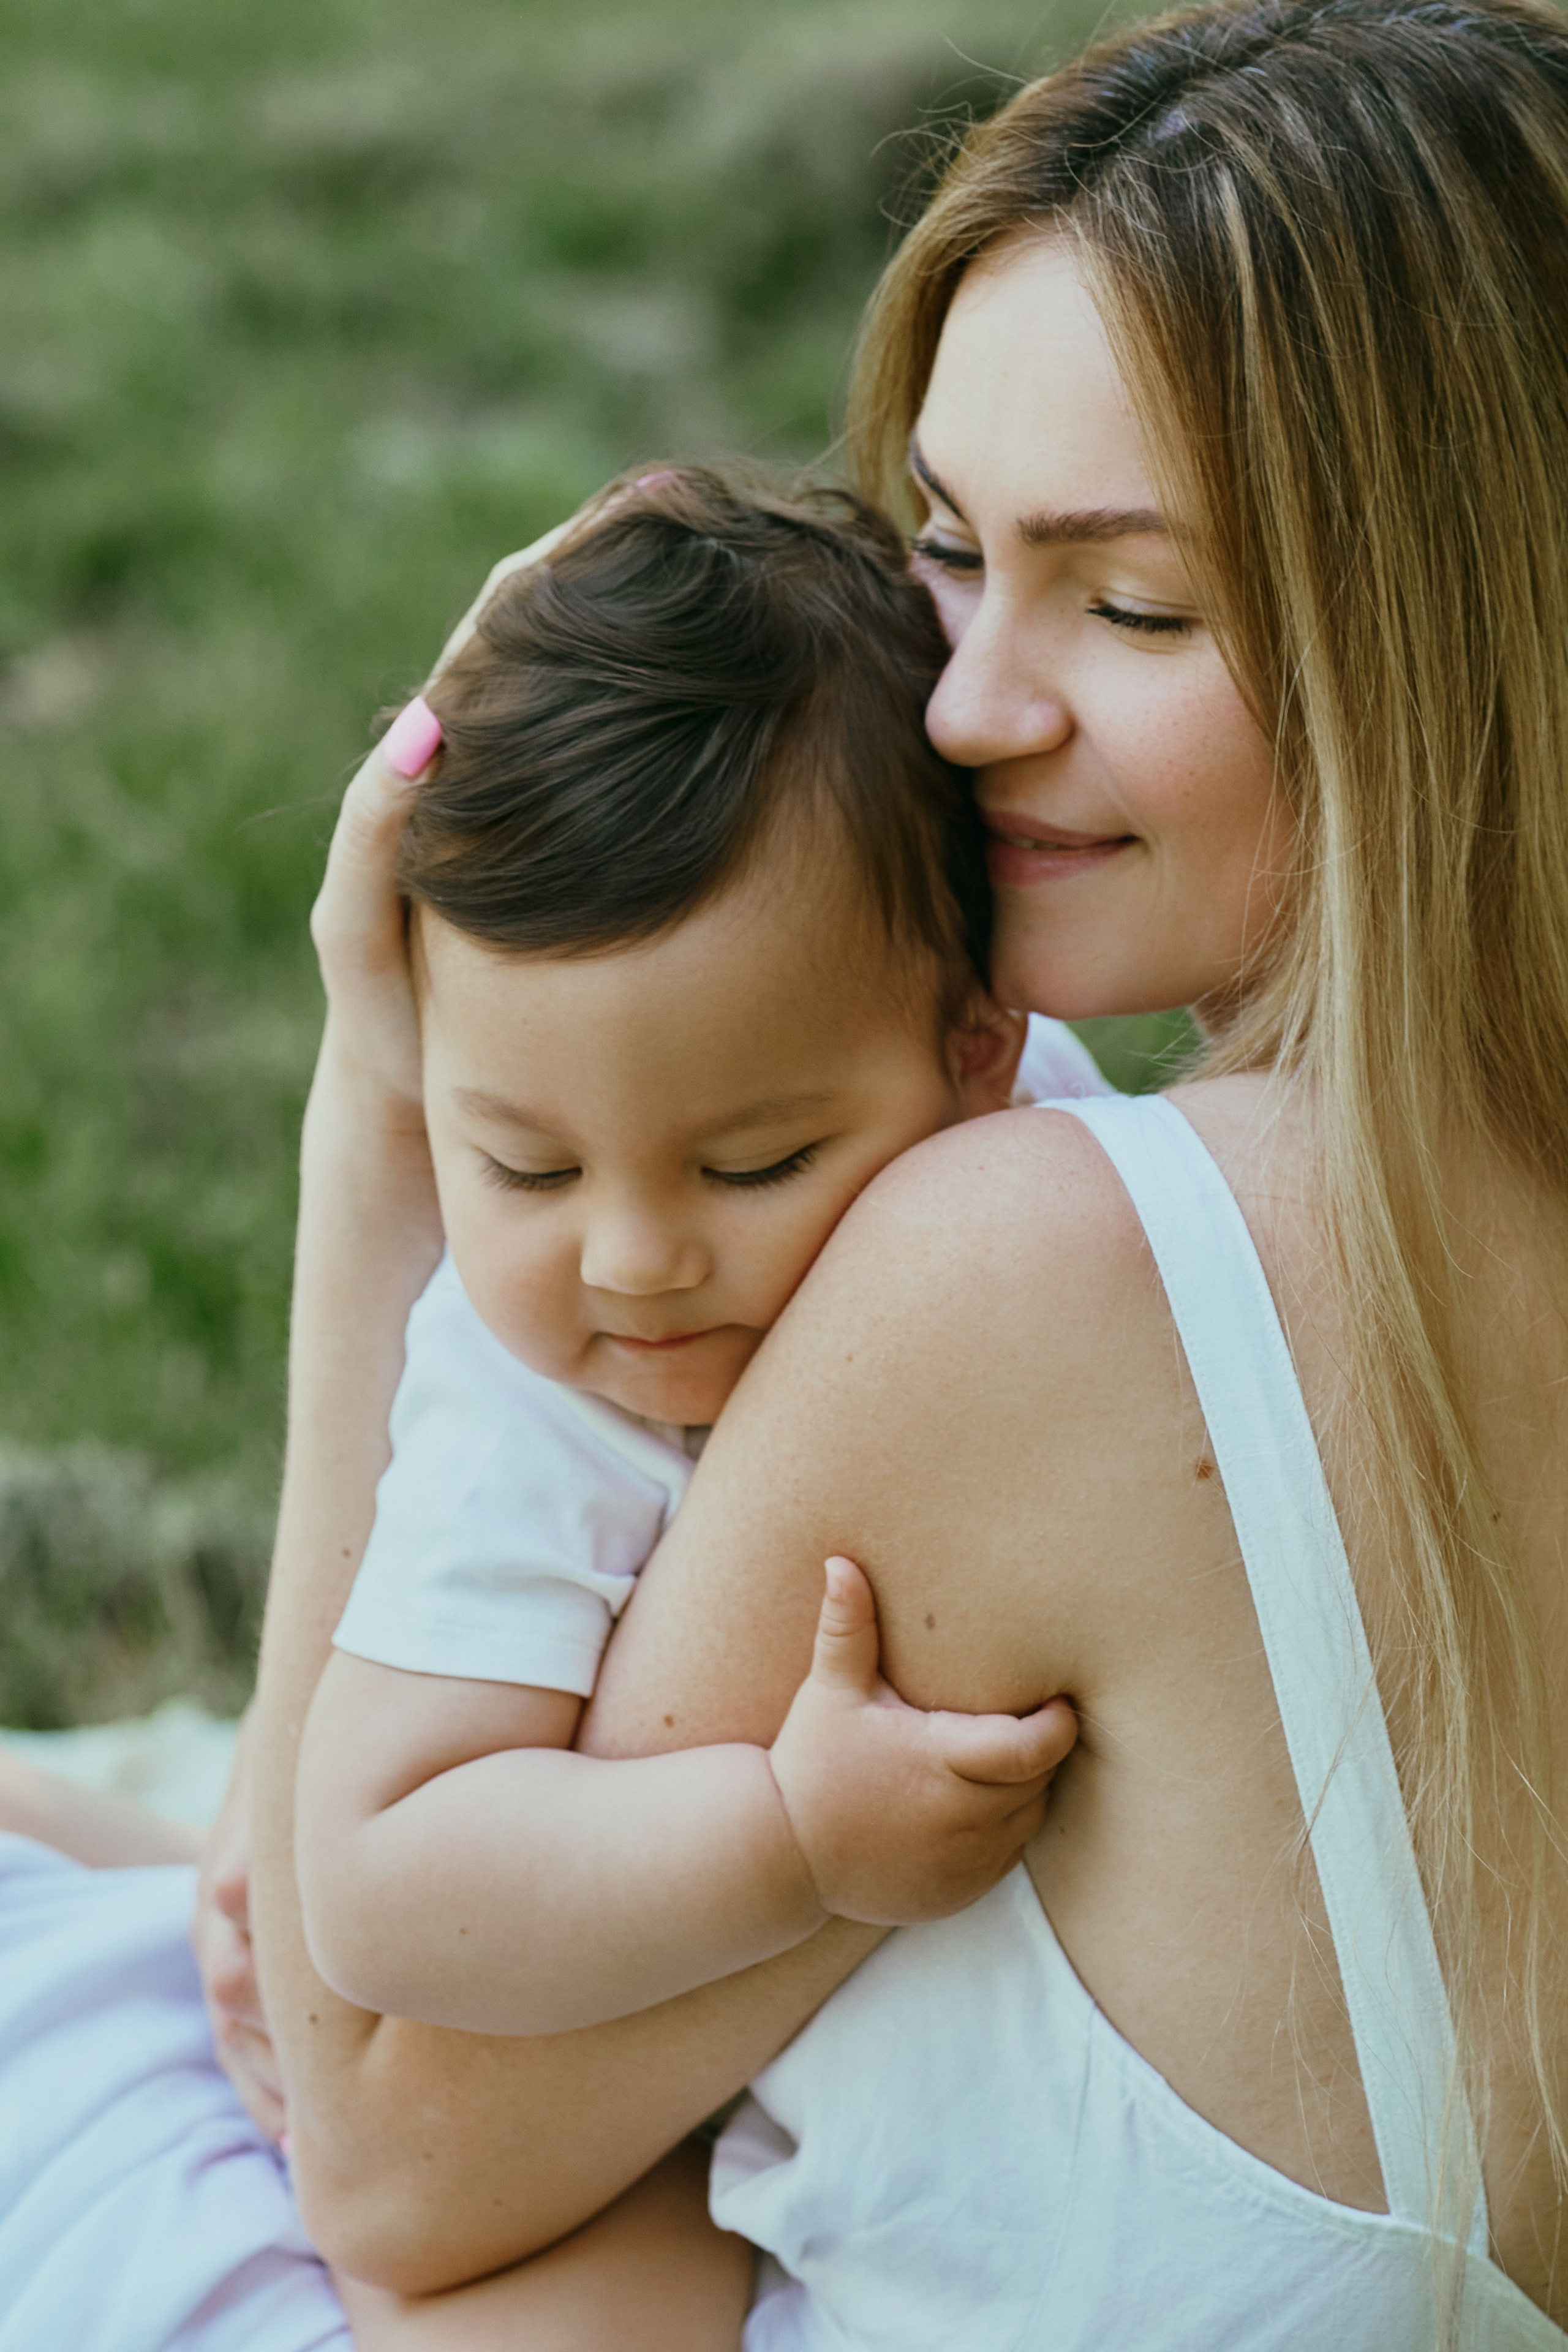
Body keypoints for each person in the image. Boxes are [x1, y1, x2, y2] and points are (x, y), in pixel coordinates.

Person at [233, 0, 1568, 2343]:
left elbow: (386, 2152)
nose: (963, 704)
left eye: (1133, 602)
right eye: (949, 550)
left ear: (1467, 631)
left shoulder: (1054, 1273)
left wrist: (393, 1114)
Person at [296, 468, 1089, 2054]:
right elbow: (378, 1882)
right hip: (632, 2110)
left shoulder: (1053, 1154)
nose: (637, 1261)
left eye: (753, 1164)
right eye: (525, 1166)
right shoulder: (533, 1412)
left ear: (983, 1051)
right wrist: (786, 1836)